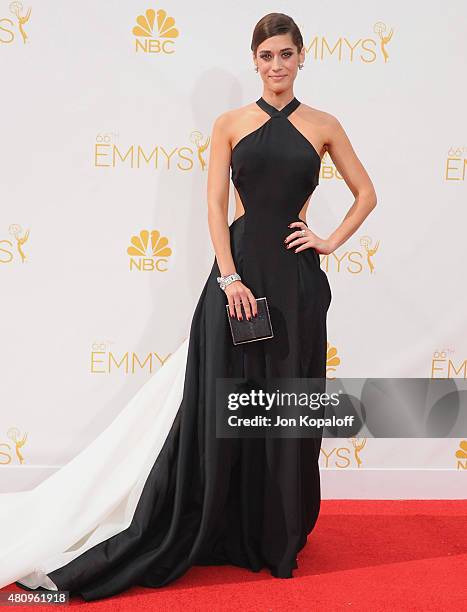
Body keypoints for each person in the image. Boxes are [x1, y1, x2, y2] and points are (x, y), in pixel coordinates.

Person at [0, 12, 377, 602]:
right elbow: (213, 207)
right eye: (266, 55)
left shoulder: (325, 125)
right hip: (240, 281)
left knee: (289, 409)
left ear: (303, 57)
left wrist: (328, 240)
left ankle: (276, 537)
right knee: (223, 405)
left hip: (298, 285)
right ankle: (214, 525)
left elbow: (367, 192)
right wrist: (230, 279)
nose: (276, 65)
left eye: (286, 54)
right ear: (253, 61)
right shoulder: (229, 124)